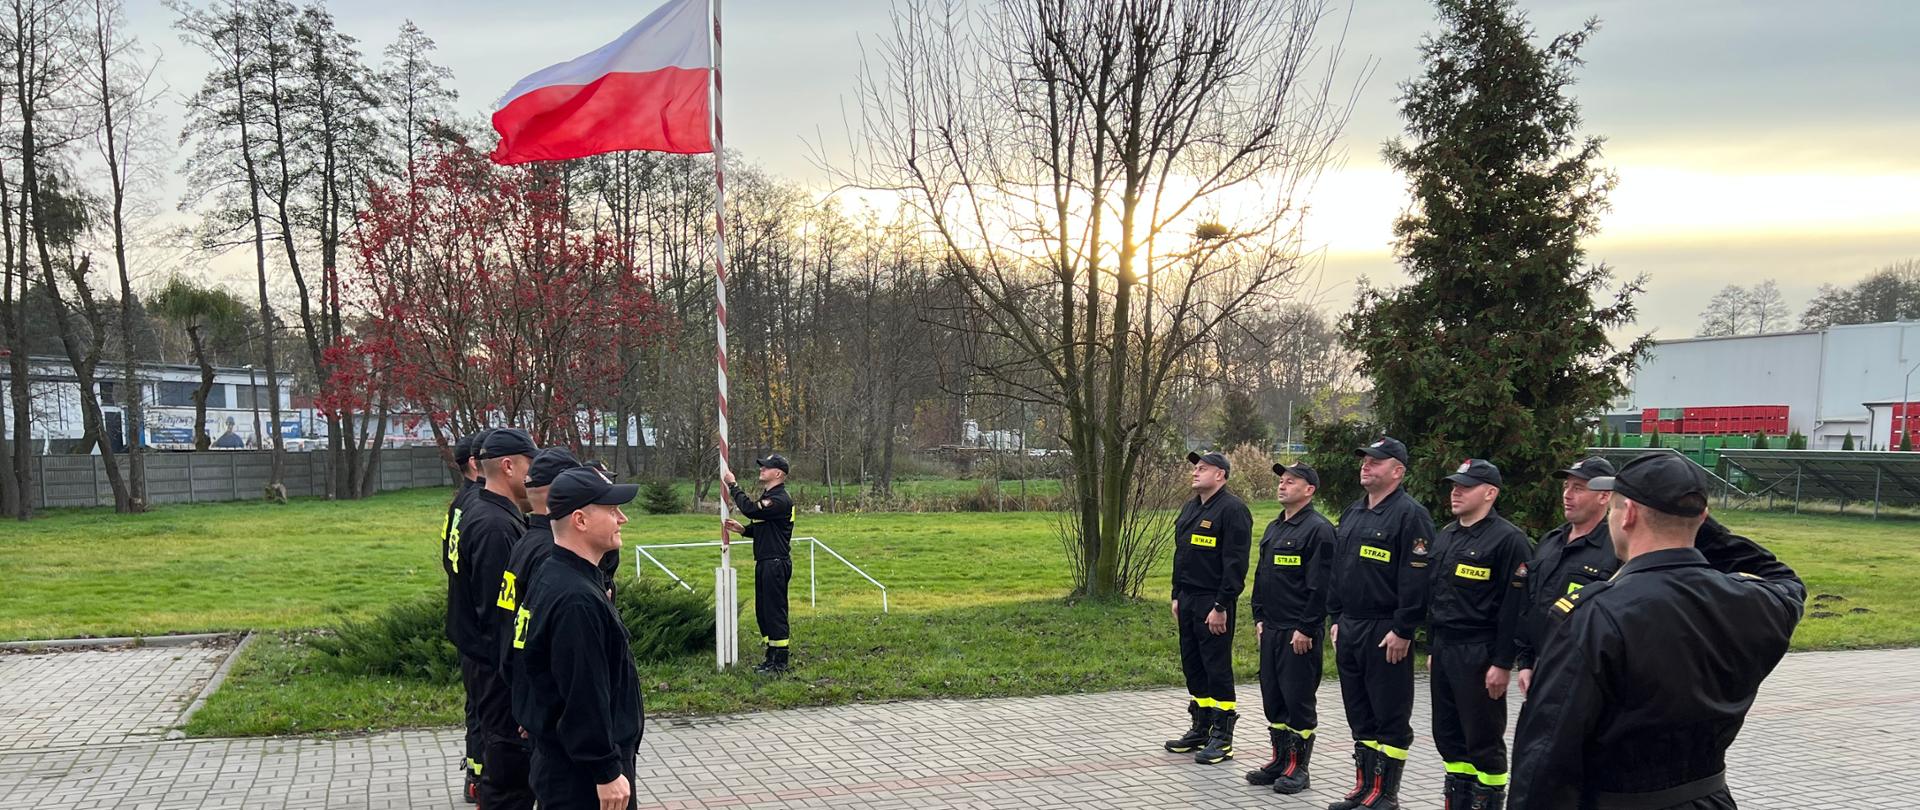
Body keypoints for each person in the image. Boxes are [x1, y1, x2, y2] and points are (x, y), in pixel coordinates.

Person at [1510, 453, 1805, 810]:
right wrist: (1694, 523)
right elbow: (1784, 578)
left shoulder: (1595, 616)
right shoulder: (1756, 604)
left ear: (1629, 514)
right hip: (1709, 798)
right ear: (1703, 519)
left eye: (1614, 509)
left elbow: (1546, 757)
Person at [514, 467, 644, 810]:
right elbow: (583, 691)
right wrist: (605, 770)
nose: (623, 519)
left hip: (562, 758)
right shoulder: (576, 598)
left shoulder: (555, 574)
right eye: (612, 510)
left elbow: (531, 660)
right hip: (582, 776)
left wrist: (533, 713)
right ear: (580, 520)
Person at [1324, 436, 1435, 810]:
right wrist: (1336, 617)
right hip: (1351, 625)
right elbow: (1338, 570)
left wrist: (1404, 629)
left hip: (1386, 628)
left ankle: (1386, 793)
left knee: (1390, 713)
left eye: (1376, 461)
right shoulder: (1353, 513)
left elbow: (1417, 578)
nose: (1366, 465)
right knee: (1359, 712)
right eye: (1364, 460)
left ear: (1397, 471)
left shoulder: (1410, 515)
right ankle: (1365, 787)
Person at [1426, 459, 1533, 810]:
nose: (1455, 492)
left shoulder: (1508, 540)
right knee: (1449, 736)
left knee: (1483, 740)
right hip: (1445, 648)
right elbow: (1436, 596)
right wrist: (1433, 648)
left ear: (1490, 493)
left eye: (1465, 487)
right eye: (1454, 485)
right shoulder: (1447, 535)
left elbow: (1514, 608)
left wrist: (1502, 663)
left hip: (1479, 652)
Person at [454, 428, 536, 810]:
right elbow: (499, 613)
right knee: (507, 774)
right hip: (495, 669)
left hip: (483, 660)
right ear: (508, 466)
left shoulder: (482, 510)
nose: (534, 475)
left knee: (501, 764)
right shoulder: (495, 526)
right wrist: (519, 680)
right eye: (530, 464)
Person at [1244, 462, 1335, 793]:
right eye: (1281, 481)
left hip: (1298, 632)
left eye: (1291, 481)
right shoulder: (1274, 527)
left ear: (1309, 490)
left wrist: (1307, 627)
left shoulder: (1318, 530)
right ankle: (1280, 760)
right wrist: (1258, 617)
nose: (1282, 486)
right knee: (1274, 698)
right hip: (1271, 628)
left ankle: (1299, 768)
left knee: (1298, 700)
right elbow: (1262, 576)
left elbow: (1321, 586)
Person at [1161, 450, 1254, 765]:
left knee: (1216, 667)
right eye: (1195, 468)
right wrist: (1176, 594)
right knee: (1194, 665)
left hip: (1213, 601)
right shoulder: (1191, 508)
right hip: (1188, 599)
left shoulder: (1233, 510)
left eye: (1203, 468)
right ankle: (1200, 728)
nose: (1195, 472)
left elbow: (1235, 563)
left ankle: (1223, 737)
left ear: (1220, 475)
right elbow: (1181, 555)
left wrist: (1221, 604)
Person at [1512, 457, 1617, 697]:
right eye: (1565, 486)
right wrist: (1525, 662)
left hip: (1585, 675)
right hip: (1541, 668)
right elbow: (1529, 604)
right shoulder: (1551, 541)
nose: (1567, 495)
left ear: (1604, 496)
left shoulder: (1616, 549)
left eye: (1578, 488)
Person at [444, 428, 491, 801]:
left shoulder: (459, 504)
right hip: (477, 630)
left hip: (464, 624)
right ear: (475, 463)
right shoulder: (480, 507)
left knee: (476, 707)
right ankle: (481, 779)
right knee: (484, 710)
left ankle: (476, 775)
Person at [722, 454, 796, 673]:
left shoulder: (779, 499)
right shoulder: (770, 496)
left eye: (766, 467)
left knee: (774, 612)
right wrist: (744, 530)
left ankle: (780, 662)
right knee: (763, 611)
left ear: (778, 473)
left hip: (775, 563)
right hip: (766, 561)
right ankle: (770, 657)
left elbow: (751, 509)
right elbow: (768, 529)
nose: (762, 469)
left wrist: (733, 485)